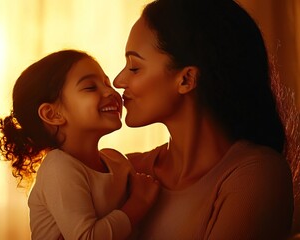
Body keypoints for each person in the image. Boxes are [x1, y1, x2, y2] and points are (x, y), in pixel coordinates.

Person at [113, 0, 295, 239]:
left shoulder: (256, 176)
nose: (118, 81)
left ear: (186, 79)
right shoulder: (128, 171)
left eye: (134, 67)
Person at [0, 49, 159, 240]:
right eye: (90, 87)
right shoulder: (58, 166)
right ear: (52, 114)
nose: (111, 91)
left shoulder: (117, 161)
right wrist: (138, 203)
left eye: (106, 83)